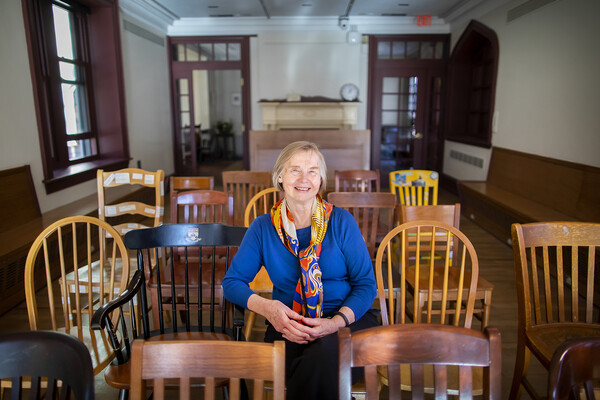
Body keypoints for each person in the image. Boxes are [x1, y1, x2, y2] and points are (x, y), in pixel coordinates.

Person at [223, 141, 379, 399]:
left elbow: (366, 284)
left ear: (320, 180)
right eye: (295, 170)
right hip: (289, 325)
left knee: (320, 360)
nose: (304, 178)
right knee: (315, 368)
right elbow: (232, 283)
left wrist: (334, 323)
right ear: (280, 177)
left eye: (312, 171)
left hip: (348, 320)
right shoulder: (263, 228)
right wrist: (268, 309)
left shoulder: (341, 221)